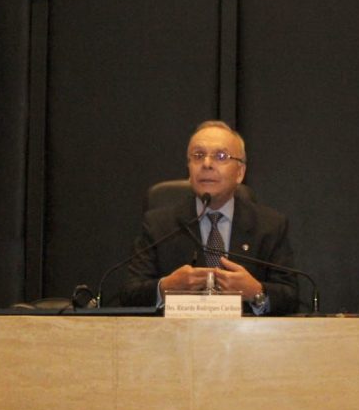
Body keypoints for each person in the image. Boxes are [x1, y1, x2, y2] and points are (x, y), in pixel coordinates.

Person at [119, 120, 298, 314]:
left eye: (220, 156)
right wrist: (165, 288)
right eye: (198, 156)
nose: (206, 164)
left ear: (240, 172)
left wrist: (256, 292)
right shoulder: (159, 225)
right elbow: (129, 294)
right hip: (176, 340)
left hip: (245, 341)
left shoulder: (269, 226)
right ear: (189, 169)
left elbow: (291, 297)